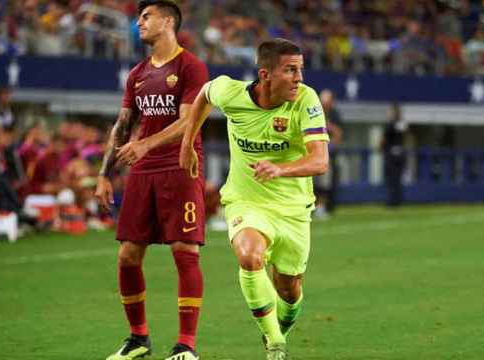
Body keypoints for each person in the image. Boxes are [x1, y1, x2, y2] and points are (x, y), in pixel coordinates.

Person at [178, 38, 329, 360]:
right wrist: (188, 141)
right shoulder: (231, 93)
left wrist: (280, 169)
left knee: (289, 288)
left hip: (293, 209)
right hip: (246, 201)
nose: (299, 78)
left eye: (300, 70)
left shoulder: (306, 100)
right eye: (290, 70)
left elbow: (320, 161)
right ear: (265, 75)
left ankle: (280, 330)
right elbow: (204, 94)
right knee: (249, 256)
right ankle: (275, 343)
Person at [94, 1, 209, 360]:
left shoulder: (190, 66)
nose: (138, 23)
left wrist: (145, 144)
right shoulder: (138, 74)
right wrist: (104, 174)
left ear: (168, 20)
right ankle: (138, 339)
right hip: (143, 172)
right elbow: (123, 125)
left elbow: (189, 123)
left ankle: (185, 346)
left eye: (145, 17)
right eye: (138, 18)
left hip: (180, 167)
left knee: (184, 251)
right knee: (128, 255)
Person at [314, 89, 343, 218]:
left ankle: (323, 207)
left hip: (329, 154)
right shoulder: (314, 113)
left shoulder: (335, 115)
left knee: (325, 183)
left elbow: (339, 135)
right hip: (313, 152)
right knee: (314, 183)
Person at [381, 103, 406, 207]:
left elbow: (383, 139)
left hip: (391, 153)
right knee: (398, 178)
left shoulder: (390, 124)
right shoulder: (402, 123)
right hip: (400, 153)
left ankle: (391, 201)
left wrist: (381, 147)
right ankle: (397, 201)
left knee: (391, 178)